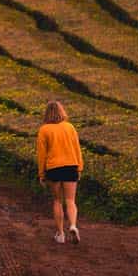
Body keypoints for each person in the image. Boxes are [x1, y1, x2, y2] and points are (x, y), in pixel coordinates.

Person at [36, 100, 83, 243]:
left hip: (53, 168)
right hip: (71, 166)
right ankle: (73, 225)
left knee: (57, 201)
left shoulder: (44, 130)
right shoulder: (70, 127)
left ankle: (61, 234)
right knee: (70, 201)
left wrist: (41, 174)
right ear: (62, 111)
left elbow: (41, 154)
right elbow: (77, 148)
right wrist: (79, 167)